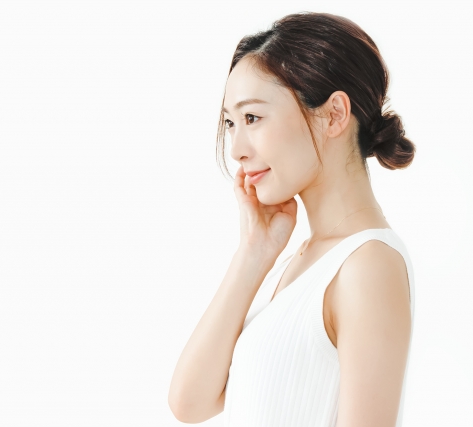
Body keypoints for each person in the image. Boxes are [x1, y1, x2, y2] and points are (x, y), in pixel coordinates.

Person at [169, 11, 416, 427]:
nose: (236, 149)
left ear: (334, 115)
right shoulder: (300, 262)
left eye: (252, 118)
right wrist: (254, 252)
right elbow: (189, 403)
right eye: (230, 123)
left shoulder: (368, 265)